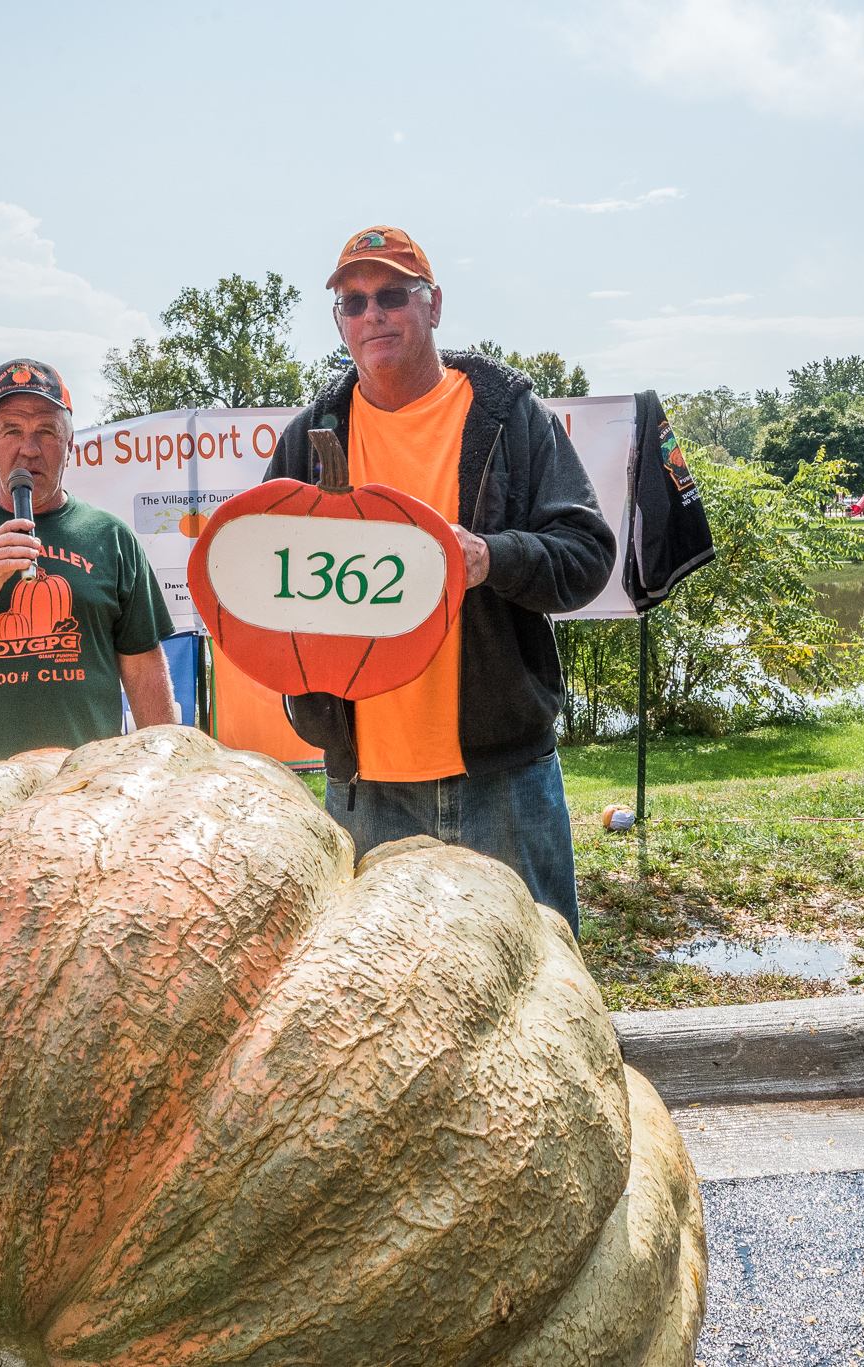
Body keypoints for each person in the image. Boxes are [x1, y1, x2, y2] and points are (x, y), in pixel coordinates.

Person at [263, 226, 616, 934]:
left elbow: (586, 554)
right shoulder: (310, 438)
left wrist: (488, 555)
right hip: (366, 792)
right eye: (353, 302)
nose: (373, 315)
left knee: (542, 994)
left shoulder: (508, 417)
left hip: (502, 780)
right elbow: (271, 592)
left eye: (392, 294)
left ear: (434, 305)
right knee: (378, 1013)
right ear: (340, 321)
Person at [0, 358, 178, 774]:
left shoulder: (110, 536)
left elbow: (144, 668)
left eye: (46, 431)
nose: (30, 448)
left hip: (86, 789)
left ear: (69, 443)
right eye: (12, 431)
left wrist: (165, 772)